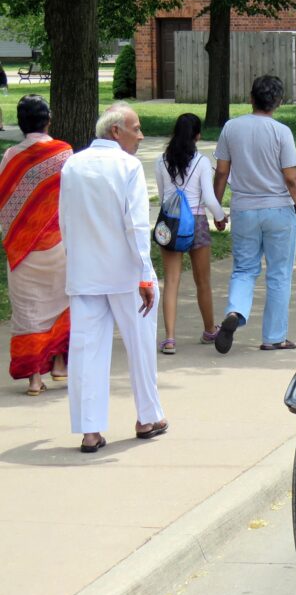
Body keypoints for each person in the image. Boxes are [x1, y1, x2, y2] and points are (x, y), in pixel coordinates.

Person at [60, 102, 166, 453]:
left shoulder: (72, 164)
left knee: (86, 350)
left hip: (85, 272)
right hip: (125, 273)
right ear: (115, 131)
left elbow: (64, 220)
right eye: (136, 128)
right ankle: (147, 416)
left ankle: (90, 431)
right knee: (140, 346)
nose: (141, 135)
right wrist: (145, 275)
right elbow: (136, 225)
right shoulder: (127, 165)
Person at [213, 75, 296, 354]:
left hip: (244, 209)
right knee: (279, 274)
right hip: (278, 210)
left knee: (244, 269)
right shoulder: (281, 132)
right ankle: (274, 336)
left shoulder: (231, 128)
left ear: (250, 97)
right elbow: (292, 178)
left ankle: (235, 311)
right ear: (278, 102)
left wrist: (217, 208)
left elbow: (222, 172)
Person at [0, 95, 71, 395]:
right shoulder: (63, 153)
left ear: (21, 122)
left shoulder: (10, 156)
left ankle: (34, 379)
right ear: (48, 120)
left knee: (29, 310)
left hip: (22, 248)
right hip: (58, 246)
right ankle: (58, 364)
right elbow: (72, 199)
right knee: (60, 302)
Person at [154, 113, 228, 355]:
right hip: (195, 221)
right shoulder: (202, 162)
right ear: (197, 135)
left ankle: (170, 338)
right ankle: (209, 329)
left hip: (170, 223)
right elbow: (208, 198)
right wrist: (219, 216)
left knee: (171, 281)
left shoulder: (161, 161)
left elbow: (164, 194)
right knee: (202, 280)